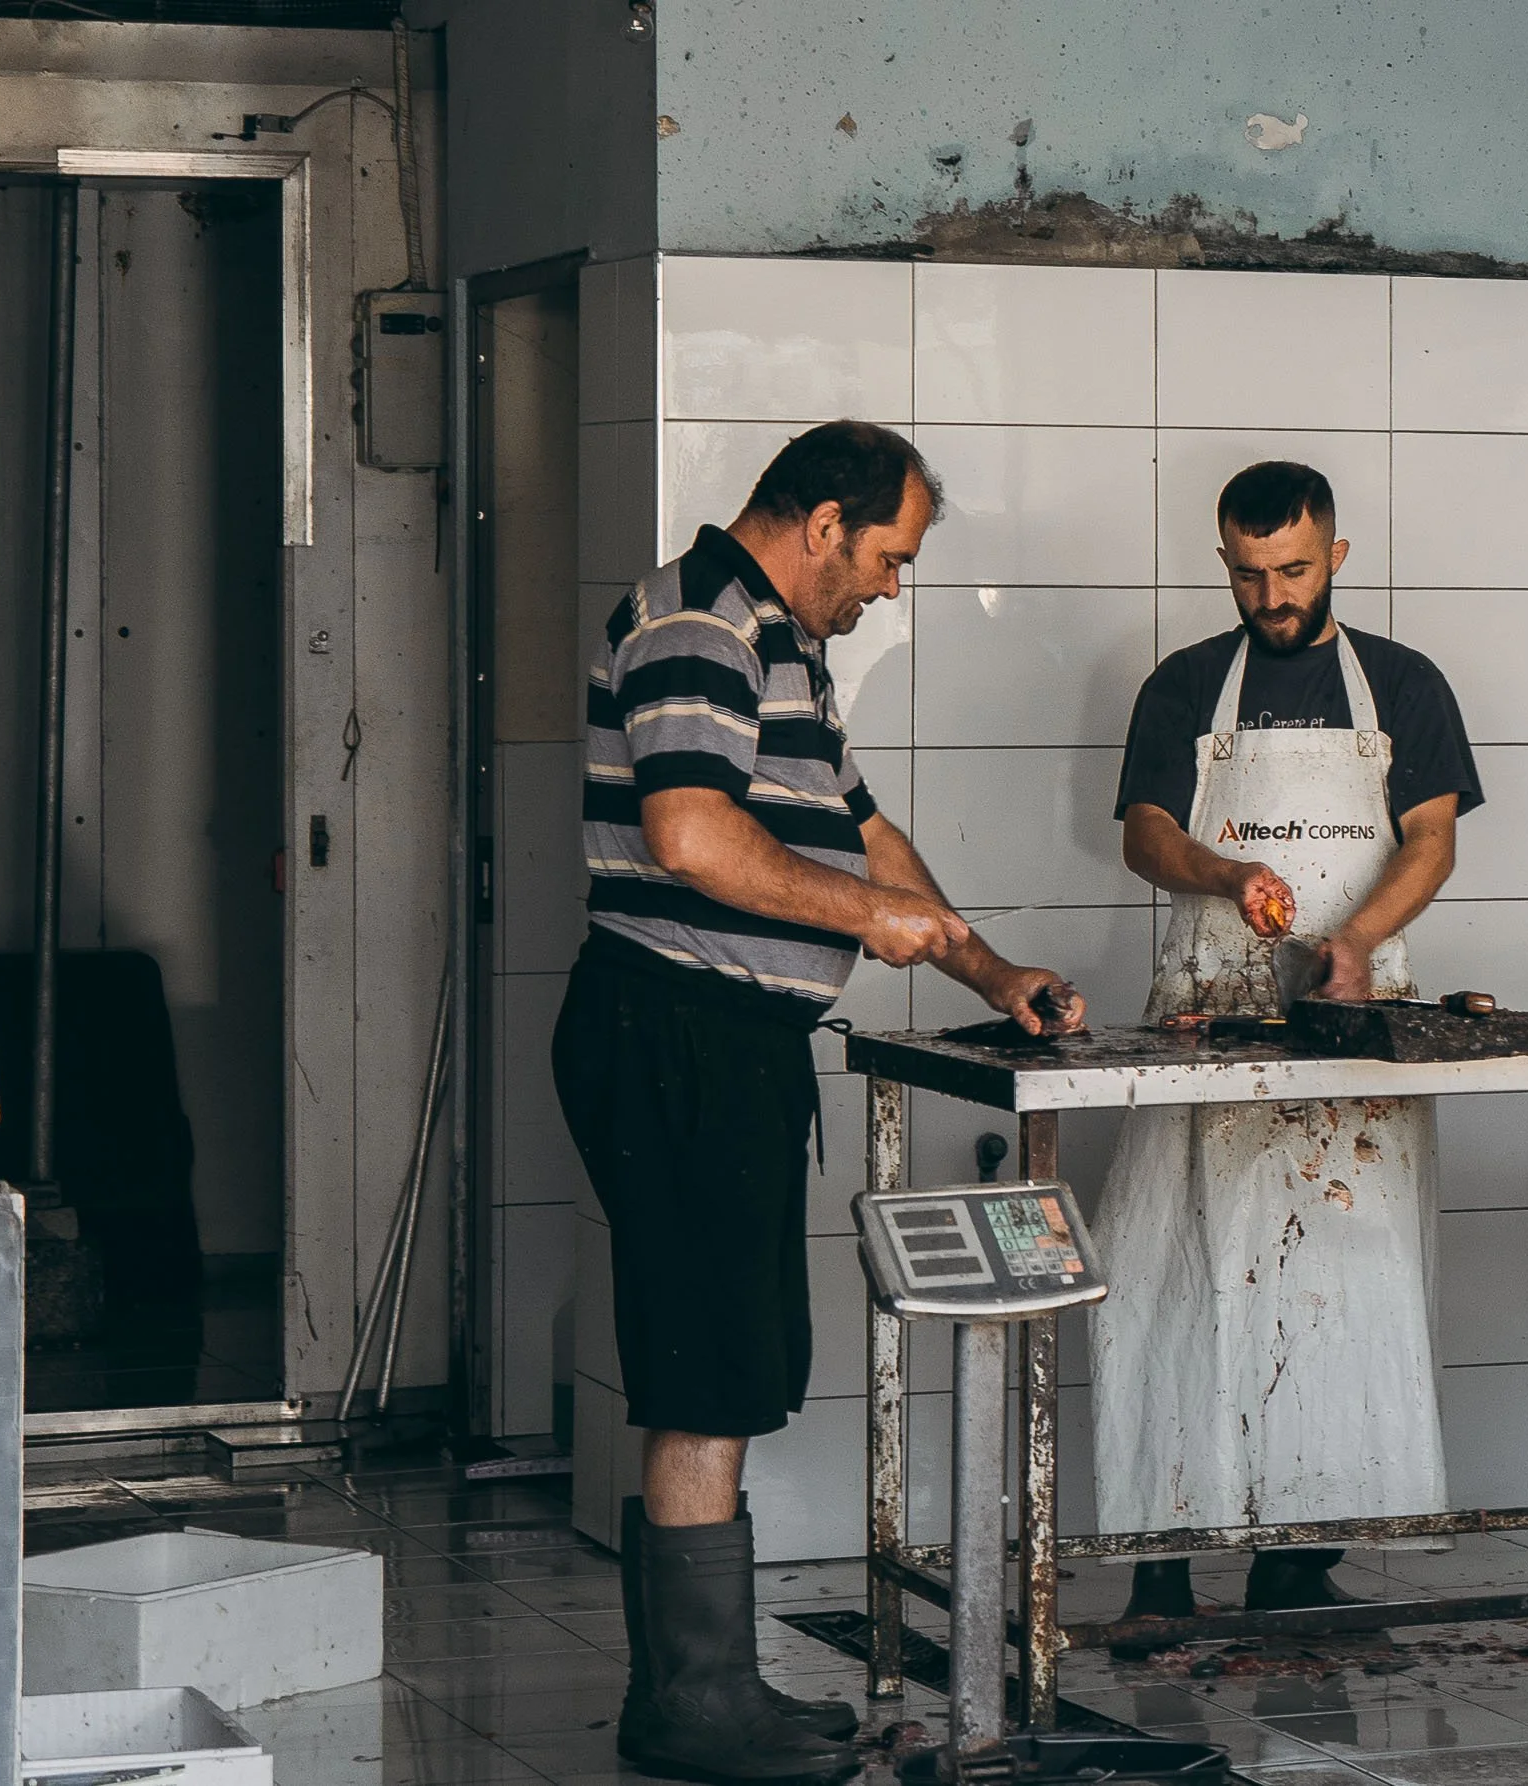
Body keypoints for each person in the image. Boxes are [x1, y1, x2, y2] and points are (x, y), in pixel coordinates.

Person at [552, 420, 1085, 1785]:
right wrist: (864, 919)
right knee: (703, 1363)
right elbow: (689, 835)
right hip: (669, 1024)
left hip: (726, 1037)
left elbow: (867, 837)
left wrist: (986, 960)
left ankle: (707, 1690)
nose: (892, 587)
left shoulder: (783, 645)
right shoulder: (700, 623)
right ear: (828, 521)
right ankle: (695, 1709)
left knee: (726, 1353)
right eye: (891, 555)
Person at [1090, 459, 1483, 1645]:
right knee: (1174, 1283)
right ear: (1225, 564)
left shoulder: (1402, 686)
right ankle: (1158, 1564)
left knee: (1342, 1289)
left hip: (1354, 1036)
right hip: (1203, 1020)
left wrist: (1356, 940)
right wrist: (1223, 871)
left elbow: (1429, 845)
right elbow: (1147, 835)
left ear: (1337, 557)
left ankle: (1296, 1563)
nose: (1274, 592)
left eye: (1295, 569)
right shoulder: (1183, 686)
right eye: (1251, 573)